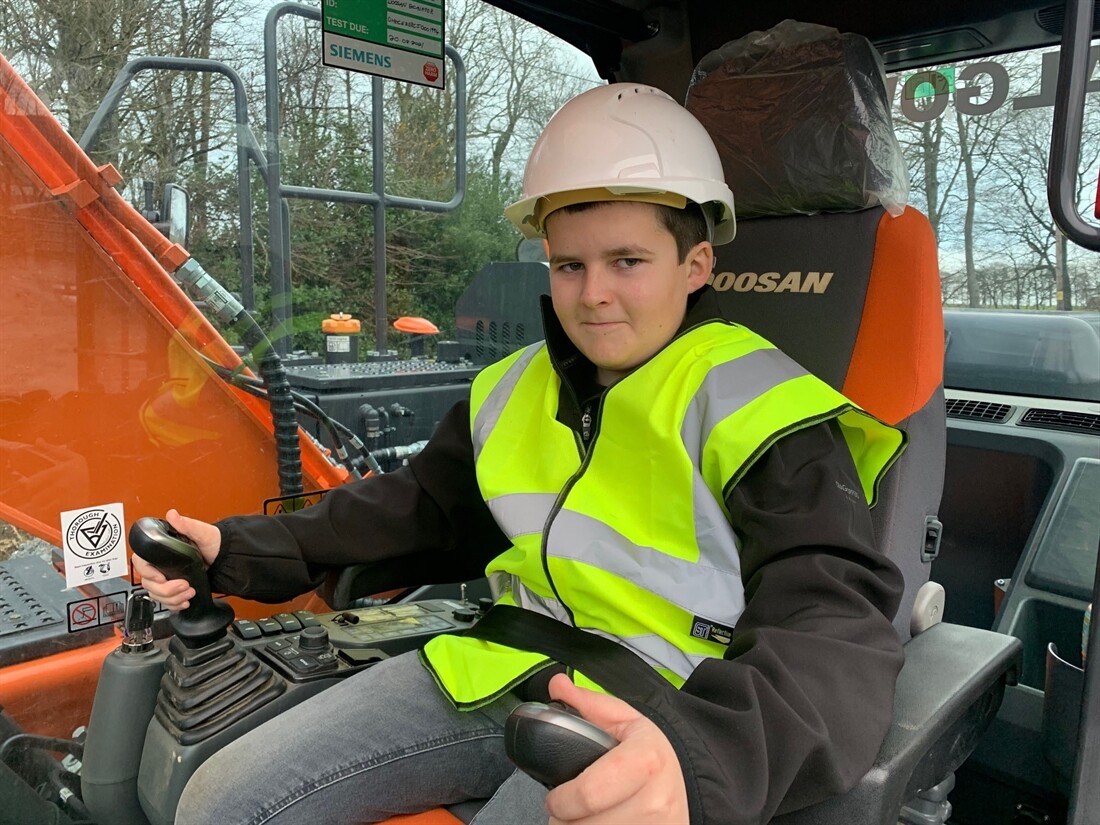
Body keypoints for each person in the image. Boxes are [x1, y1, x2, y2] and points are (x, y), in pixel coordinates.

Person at [134, 83, 907, 825]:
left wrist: (702, 755)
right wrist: (236, 546)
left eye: (627, 262)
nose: (593, 293)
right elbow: (416, 510)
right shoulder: (508, 388)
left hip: (657, 709)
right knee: (219, 803)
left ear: (696, 265)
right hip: (495, 660)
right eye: (570, 264)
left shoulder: (762, 404)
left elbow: (828, 615)